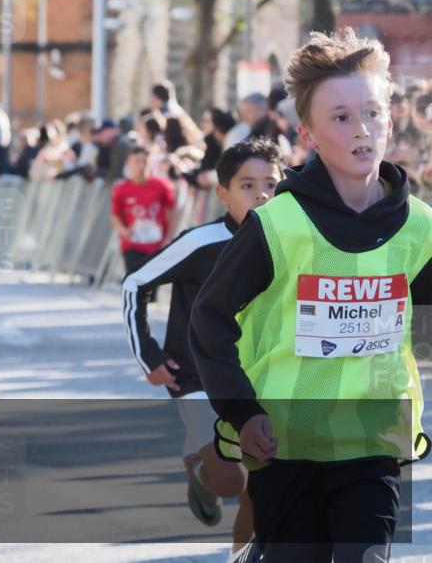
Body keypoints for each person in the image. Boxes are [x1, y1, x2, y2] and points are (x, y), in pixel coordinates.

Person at [190, 29, 432, 562]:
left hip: (372, 440)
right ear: (308, 134)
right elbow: (209, 319)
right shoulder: (277, 225)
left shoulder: (420, 227)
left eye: (372, 113)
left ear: (390, 121)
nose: (362, 129)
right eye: (341, 117)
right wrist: (242, 411)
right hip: (284, 441)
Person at [122, 138, 284, 557]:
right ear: (223, 194)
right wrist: (149, 355)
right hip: (196, 377)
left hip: (259, 381)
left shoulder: (290, 240)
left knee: (258, 489)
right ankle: (200, 467)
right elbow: (135, 283)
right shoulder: (201, 242)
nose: (262, 194)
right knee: (231, 480)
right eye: (247, 185)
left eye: (271, 183)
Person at [110, 145, 176, 278]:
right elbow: (115, 215)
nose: (141, 166)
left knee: (151, 284)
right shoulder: (121, 189)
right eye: (137, 161)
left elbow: (171, 212)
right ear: (129, 164)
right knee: (135, 279)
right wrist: (122, 230)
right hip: (132, 244)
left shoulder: (162, 186)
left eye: (144, 161)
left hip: (156, 244)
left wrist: (170, 236)